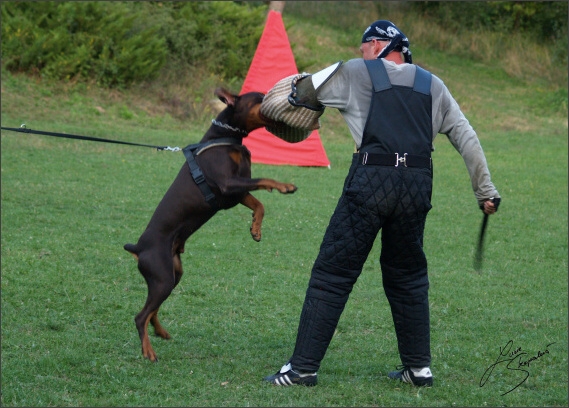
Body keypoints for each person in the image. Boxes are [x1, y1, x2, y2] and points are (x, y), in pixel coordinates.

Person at [262, 20, 501, 387]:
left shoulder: (357, 71)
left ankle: (302, 369)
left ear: (377, 45)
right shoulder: (433, 84)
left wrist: (299, 107)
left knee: (332, 275)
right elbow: (465, 135)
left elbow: (300, 94)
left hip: (371, 182)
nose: (360, 53)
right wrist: (485, 191)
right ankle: (419, 369)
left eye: (363, 46)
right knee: (409, 277)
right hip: (417, 186)